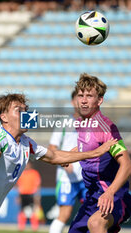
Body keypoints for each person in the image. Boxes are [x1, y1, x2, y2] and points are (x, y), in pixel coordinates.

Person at [0, 93, 119, 233]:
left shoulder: (26, 143)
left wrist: (94, 152)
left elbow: (54, 157)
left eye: (27, 110)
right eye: (19, 110)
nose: (26, 114)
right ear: (4, 117)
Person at [68, 73, 131, 233]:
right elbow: (91, 147)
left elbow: (127, 165)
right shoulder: (80, 123)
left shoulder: (106, 127)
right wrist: (72, 154)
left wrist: (110, 193)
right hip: (93, 197)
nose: (83, 100)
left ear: (99, 100)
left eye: (89, 96)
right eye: (81, 95)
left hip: (114, 196)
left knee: (96, 224)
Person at [49, 90, 87, 233]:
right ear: (72, 102)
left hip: (86, 177)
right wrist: (64, 162)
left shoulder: (92, 124)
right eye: (79, 98)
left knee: (93, 214)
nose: (82, 102)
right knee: (64, 214)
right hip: (66, 178)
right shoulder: (64, 123)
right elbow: (52, 149)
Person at [16, 161, 42, 231]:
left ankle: (35, 227)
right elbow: (18, 185)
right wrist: (18, 196)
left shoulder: (34, 173)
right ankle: (21, 227)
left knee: (33, 211)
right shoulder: (21, 173)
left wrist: (37, 196)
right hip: (23, 194)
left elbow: (38, 185)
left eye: (28, 164)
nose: (27, 166)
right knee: (22, 211)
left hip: (31, 195)